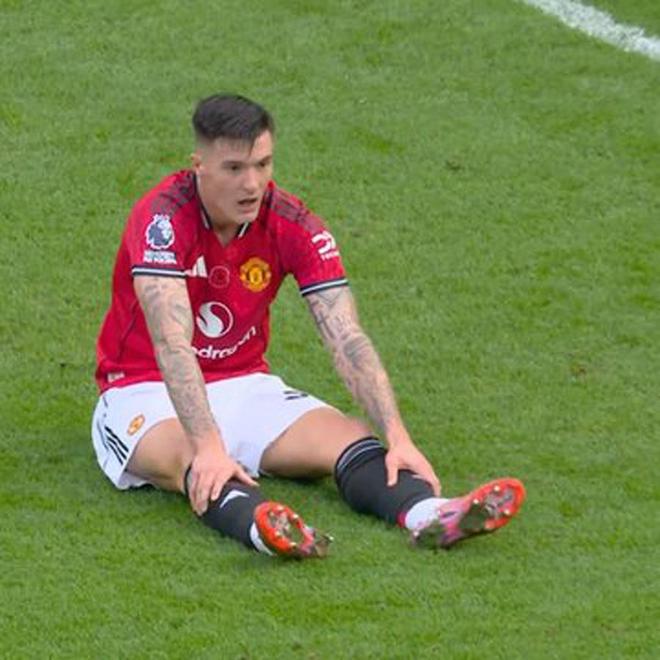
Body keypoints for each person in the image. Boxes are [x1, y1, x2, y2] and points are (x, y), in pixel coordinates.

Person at [91, 93, 525, 558]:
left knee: (350, 438)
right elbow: (172, 342)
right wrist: (209, 443)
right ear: (200, 165)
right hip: (143, 388)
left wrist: (397, 436)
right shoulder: (161, 220)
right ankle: (264, 530)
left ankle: (431, 514)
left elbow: (346, 337)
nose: (252, 184)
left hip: (243, 384)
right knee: (196, 460)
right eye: (234, 168)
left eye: (262, 164)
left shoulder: (292, 222)